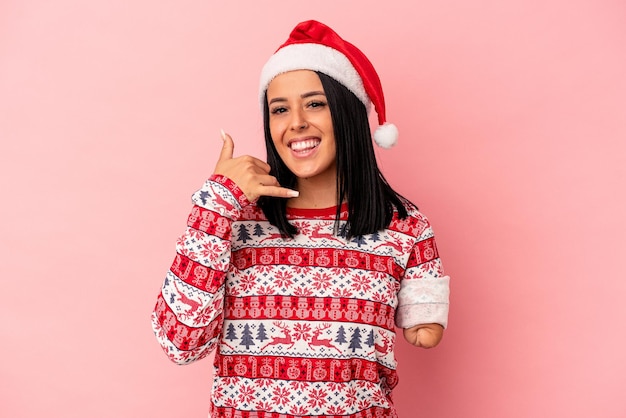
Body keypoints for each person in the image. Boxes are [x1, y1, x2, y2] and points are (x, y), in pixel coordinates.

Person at [152, 20, 450, 418]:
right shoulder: (233, 219)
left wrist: (425, 323)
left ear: (347, 112)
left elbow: (425, 318)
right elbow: (180, 344)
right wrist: (214, 204)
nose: (296, 123)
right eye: (279, 109)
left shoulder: (404, 225)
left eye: (314, 103)